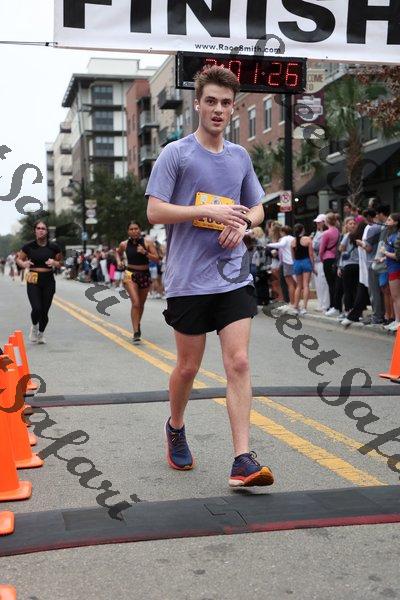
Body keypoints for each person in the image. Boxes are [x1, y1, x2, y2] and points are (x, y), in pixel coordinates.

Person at [146, 65, 274, 488]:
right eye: (211, 101)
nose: (218, 110)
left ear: (233, 108)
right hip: (188, 280)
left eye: (226, 103)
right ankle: (176, 426)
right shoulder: (176, 154)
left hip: (233, 275)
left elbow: (258, 207)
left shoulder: (240, 157)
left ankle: (242, 459)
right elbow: (155, 211)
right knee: (188, 368)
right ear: (198, 104)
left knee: (238, 362)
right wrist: (208, 211)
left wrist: (245, 223)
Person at [16, 220, 63, 344]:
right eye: (38, 228)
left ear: (46, 231)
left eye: (43, 228)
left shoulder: (54, 247)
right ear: (35, 231)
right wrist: (24, 264)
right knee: (36, 308)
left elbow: (61, 262)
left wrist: (54, 263)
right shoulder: (28, 246)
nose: (41, 230)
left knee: (44, 311)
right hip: (33, 278)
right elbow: (19, 259)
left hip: (48, 279)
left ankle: (41, 334)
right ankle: (35, 327)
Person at [117, 221, 159, 343]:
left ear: (140, 230)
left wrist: (145, 252)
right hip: (130, 275)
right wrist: (119, 261)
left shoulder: (147, 242)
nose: (134, 231)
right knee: (135, 303)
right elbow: (117, 252)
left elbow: (156, 259)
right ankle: (136, 331)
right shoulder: (124, 244)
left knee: (141, 304)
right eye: (131, 229)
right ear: (128, 231)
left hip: (145, 274)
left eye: (136, 228)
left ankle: (137, 323)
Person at [266, 225, 296, 310]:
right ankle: (293, 302)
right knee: (293, 283)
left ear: (283, 232)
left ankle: (291, 302)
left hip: (287, 263)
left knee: (289, 284)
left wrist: (268, 244)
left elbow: (280, 245)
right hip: (293, 262)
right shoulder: (293, 238)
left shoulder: (285, 238)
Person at [291, 223, 315, 315]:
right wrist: (313, 266)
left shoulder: (292, 242)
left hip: (297, 263)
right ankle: (304, 307)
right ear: (303, 230)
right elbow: (311, 254)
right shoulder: (307, 239)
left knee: (298, 286)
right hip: (306, 262)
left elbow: (293, 256)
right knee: (306, 285)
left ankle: (295, 306)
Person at [319, 212, 341, 316]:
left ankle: (332, 306)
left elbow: (321, 249)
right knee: (336, 283)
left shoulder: (326, 233)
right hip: (336, 258)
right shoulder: (338, 232)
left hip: (327, 258)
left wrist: (321, 258)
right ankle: (336, 305)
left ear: (326, 221)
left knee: (330, 284)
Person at [382, 213, 400, 331]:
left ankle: (398, 321)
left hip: (395, 269)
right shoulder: (392, 235)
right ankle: (396, 320)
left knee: (396, 296)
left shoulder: (397, 236)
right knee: (394, 297)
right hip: (391, 268)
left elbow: (397, 256)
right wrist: (384, 258)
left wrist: (385, 253)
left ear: (396, 222)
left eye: (389, 220)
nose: (386, 222)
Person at [311, 214, 330, 312]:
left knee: (324, 283)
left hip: (323, 260)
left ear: (324, 222)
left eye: (319, 222)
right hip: (316, 261)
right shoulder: (317, 233)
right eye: (317, 222)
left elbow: (316, 246)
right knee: (318, 284)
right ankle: (320, 303)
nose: (317, 224)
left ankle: (325, 304)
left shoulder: (326, 233)